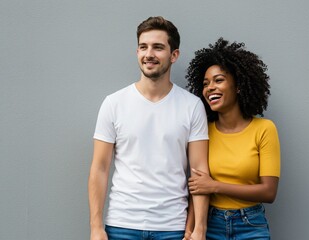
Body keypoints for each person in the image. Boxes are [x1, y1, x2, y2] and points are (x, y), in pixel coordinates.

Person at [88, 16, 209, 240]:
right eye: (143, 47)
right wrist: (96, 227)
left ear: (174, 55)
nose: (149, 54)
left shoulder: (192, 106)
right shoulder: (114, 103)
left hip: (173, 228)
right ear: (137, 52)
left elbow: (199, 171)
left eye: (158, 47)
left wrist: (199, 228)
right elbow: (100, 168)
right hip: (121, 225)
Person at [185, 38, 281, 240]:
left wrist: (215, 186)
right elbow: (198, 186)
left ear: (238, 86)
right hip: (211, 225)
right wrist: (191, 229)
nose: (210, 87)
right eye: (205, 83)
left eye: (218, 80)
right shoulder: (203, 132)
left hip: (251, 225)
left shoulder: (264, 129)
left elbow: (269, 192)